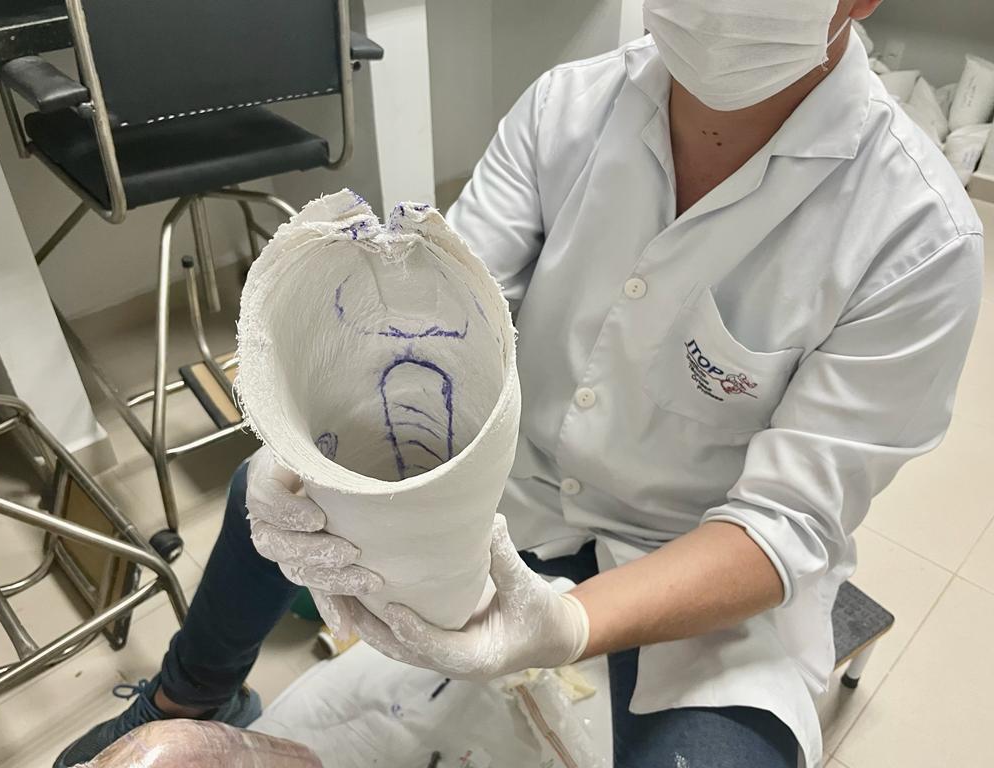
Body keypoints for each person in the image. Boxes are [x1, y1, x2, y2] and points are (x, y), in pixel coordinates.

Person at [56, 0, 984, 766]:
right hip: (507, 497)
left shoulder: (917, 240)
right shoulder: (565, 109)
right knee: (268, 492)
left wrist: (562, 625)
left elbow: (781, 527)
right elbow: (444, 321)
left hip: (699, 577)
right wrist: (327, 451)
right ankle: (188, 693)